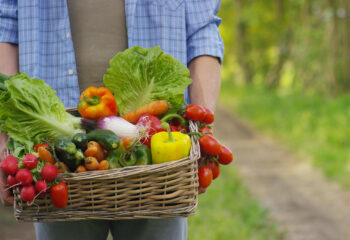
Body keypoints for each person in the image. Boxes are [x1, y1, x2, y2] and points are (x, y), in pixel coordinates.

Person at [0, 0, 223, 239]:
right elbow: (5, 27)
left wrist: (202, 129)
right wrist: (4, 142)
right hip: (56, 154)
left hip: (157, 152)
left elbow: (203, 32)